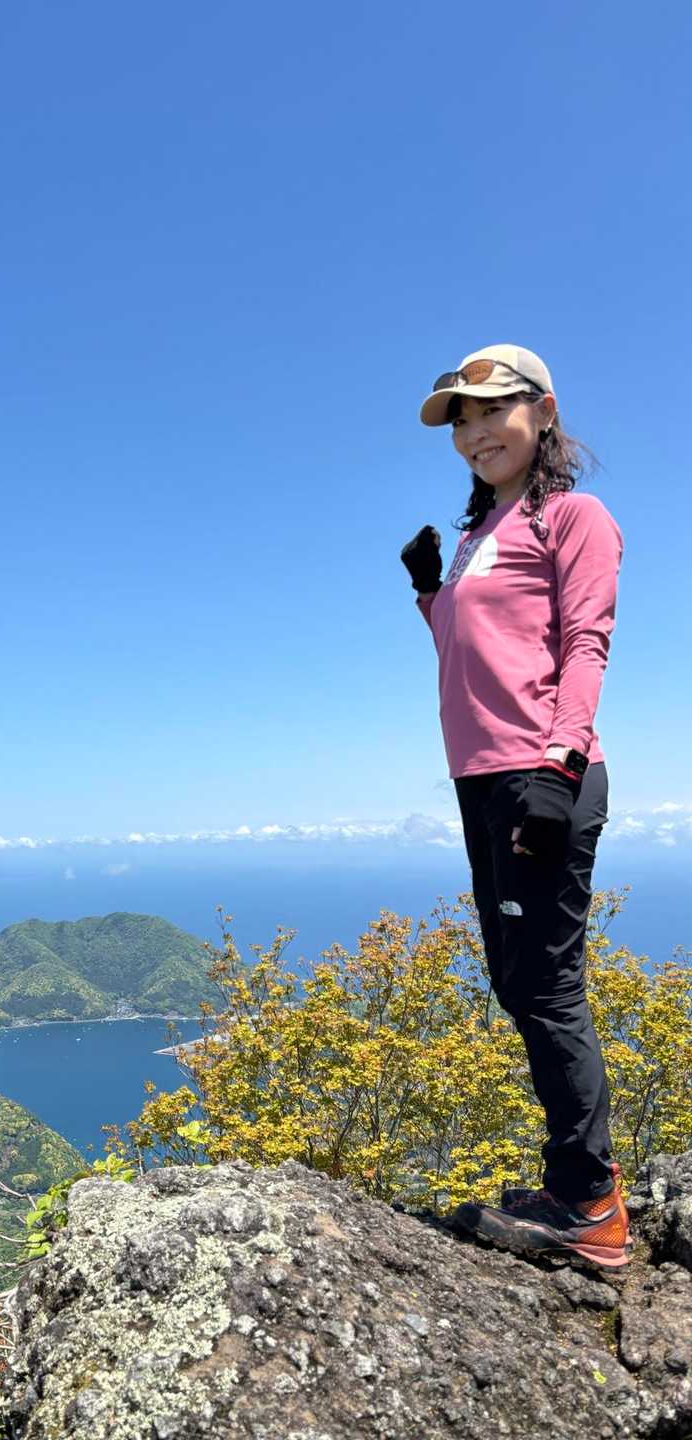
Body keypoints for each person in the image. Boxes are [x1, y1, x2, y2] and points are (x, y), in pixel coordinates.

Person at [401, 343, 631, 1270]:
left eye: (494, 409)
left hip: (541, 774)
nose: (476, 432)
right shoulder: (478, 535)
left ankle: (590, 1204)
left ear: (543, 411)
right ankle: (574, 1183)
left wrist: (560, 765)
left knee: (547, 987)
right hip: (482, 778)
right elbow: (475, 655)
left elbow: (586, 643)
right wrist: (431, 592)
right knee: (516, 981)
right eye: (461, 420)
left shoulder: (576, 517)